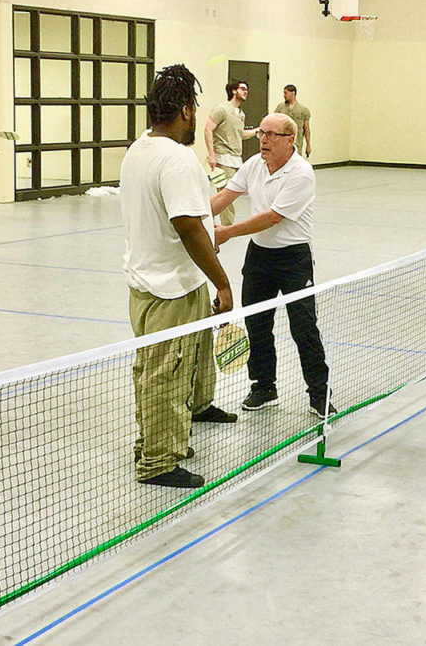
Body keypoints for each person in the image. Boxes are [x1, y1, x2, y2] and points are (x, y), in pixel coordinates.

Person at [120, 64, 238, 490]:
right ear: (186, 111)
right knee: (164, 375)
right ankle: (157, 461)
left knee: (166, 370)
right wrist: (223, 283)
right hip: (169, 289)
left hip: (151, 284)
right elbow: (188, 226)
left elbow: (189, 218)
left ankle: (164, 440)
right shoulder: (176, 158)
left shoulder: (139, 149)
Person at [212, 113, 335, 419]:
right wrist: (193, 216)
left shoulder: (302, 173)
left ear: (290, 140)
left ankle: (320, 393)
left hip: (294, 259)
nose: (263, 139)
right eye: (261, 133)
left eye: (271, 135)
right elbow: (226, 196)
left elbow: (272, 217)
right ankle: (263, 386)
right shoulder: (254, 165)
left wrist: (226, 232)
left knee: (304, 328)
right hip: (259, 257)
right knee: (257, 324)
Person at [203, 80, 259, 226]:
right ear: (233, 91)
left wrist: (257, 131)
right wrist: (212, 155)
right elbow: (208, 129)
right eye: (242, 89)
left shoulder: (241, 114)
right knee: (224, 195)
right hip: (222, 158)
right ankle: (225, 226)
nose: (246, 91)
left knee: (231, 195)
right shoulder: (221, 109)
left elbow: (239, 134)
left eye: (247, 89)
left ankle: (213, 222)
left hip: (235, 159)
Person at [274, 84, 311, 158]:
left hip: (297, 143)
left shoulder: (303, 110)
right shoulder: (280, 108)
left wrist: (308, 145)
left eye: (286, 93)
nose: (284, 95)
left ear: (293, 93)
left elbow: (306, 129)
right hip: (282, 142)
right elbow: (274, 123)